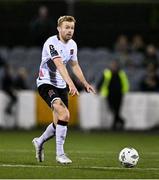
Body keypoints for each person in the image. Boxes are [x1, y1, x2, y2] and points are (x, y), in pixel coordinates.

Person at [32, 15, 96, 164]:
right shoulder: (51, 43)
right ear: (59, 28)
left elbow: (74, 65)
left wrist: (85, 83)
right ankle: (60, 154)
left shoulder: (73, 45)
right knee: (64, 113)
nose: (69, 30)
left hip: (61, 85)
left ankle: (39, 141)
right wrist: (72, 84)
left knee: (60, 121)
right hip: (46, 83)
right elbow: (60, 65)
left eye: (72, 28)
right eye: (66, 27)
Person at [97, 60, 129, 130]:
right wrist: (98, 89)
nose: (113, 66)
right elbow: (102, 81)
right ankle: (121, 121)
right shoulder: (107, 73)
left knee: (117, 109)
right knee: (112, 109)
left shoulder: (121, 73)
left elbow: (125, 82)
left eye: (114, 65)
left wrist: (125, 91)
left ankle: (114, 126)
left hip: (119, 94)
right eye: (112, 65)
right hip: (110, 94)